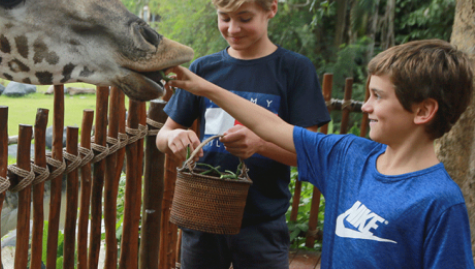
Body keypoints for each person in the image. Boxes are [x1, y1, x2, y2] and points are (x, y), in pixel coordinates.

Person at [166, 38, 475, 268]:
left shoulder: (439, 203)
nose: (365, 106)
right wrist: (204, 87)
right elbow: (271, 126)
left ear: (423, 111)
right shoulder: (349, 156)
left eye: (378, 96)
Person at [156, 0, 331, 269]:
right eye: (224, 17)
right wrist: (174, 137)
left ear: (271, 10)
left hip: (262, 224)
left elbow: (311, 152)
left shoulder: (294, 70)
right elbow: (162, 134)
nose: (232, 28)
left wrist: (261, 145)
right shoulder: (203, 69)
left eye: (245, 18)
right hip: (202, 215)